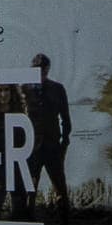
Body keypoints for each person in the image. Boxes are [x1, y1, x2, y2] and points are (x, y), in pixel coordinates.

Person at [21, 52, 73, 211]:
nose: (41, 74)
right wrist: (20, 146)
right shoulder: (23, 90)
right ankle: (29, 221)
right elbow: (17, 120)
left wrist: (64, 144)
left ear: (48, 69)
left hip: (53, 147)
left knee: (61, 190)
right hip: (30, 149)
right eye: (37, 70)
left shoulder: (58, 89)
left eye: (44, 70)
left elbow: (66, 119)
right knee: (29, 190)